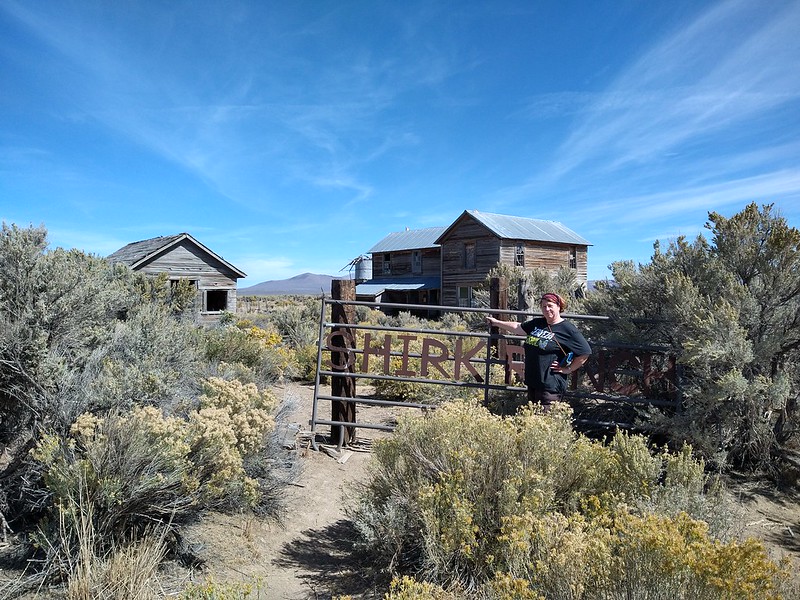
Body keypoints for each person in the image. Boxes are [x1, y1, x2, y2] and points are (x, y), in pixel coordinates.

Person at [486, 292, 592, 410]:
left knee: (546, 419)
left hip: (550, 384)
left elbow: (585, 352)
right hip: (533, 381)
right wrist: (497, 322)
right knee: (533, 414)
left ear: (558, 306)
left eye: (550, 306)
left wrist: (568, 369)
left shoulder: (567, 329)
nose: (547, 309)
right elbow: (518, 328)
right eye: (543, 306)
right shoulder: (538, 323)